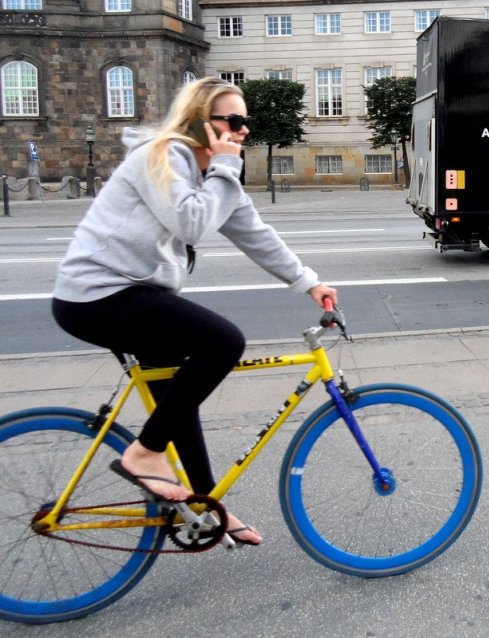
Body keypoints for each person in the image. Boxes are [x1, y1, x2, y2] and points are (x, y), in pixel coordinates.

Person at [52, 77, 338, 546]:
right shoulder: (161, 156)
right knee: (223, 341)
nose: (243, 130)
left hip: (128, 294)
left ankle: (207, 508)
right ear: (201, 121)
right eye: (234, 121)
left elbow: (253, 232)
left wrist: (309, 281)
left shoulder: (212, 170)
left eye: (246, 121)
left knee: (178, 402)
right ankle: (143, 456)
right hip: (97, 297)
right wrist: (226, 167)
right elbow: (190, 223)